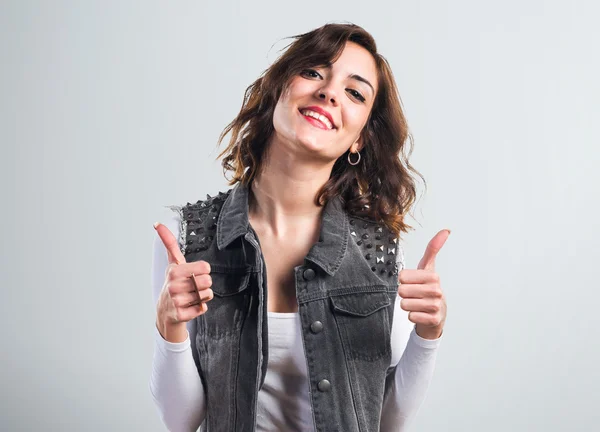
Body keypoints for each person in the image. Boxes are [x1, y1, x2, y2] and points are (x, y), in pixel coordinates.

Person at [150, 22, 449, 432]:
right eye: (313, 72)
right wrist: (170, 328)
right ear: (279, 89)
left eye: (355, 92)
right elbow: (180, 420)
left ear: (358, 139)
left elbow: (385, 420)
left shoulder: (379, 249)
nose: (328, 92)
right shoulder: (188, 236)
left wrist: (428, 335)